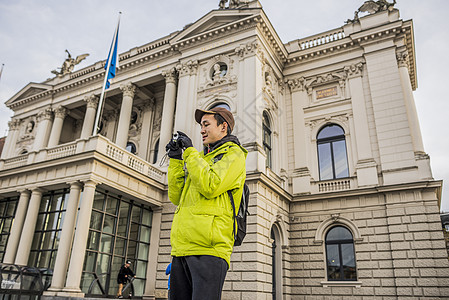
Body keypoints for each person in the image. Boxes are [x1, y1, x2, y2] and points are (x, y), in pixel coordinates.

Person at [165, 106, 247, 300]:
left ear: (223, 127)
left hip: (209, 250)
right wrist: (176, 160)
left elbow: (211, 185)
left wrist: (191, 153)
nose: (201, 130)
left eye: (206, 124)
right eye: (201, 125)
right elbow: (176, 197)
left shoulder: (234, 155)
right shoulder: (199, 159)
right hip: (182, 248)